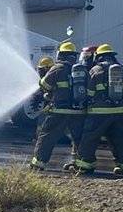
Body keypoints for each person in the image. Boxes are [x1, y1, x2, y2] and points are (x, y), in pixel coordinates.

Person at [72, 43, 123, 175]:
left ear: (98, 56)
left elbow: (89, 92)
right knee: (121, 139)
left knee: (90, 138)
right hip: (122, 112)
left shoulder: (95, 70)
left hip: (99, 113)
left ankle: (85, 165)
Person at [29, 42, 87, 171]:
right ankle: (83, 163)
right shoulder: (81, 70)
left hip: (60, 110)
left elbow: (45, 85)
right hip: (78, 111)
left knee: (47, 136)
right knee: (79, 138)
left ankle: (39, 162)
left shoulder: (57, 68)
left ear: (60, 54)